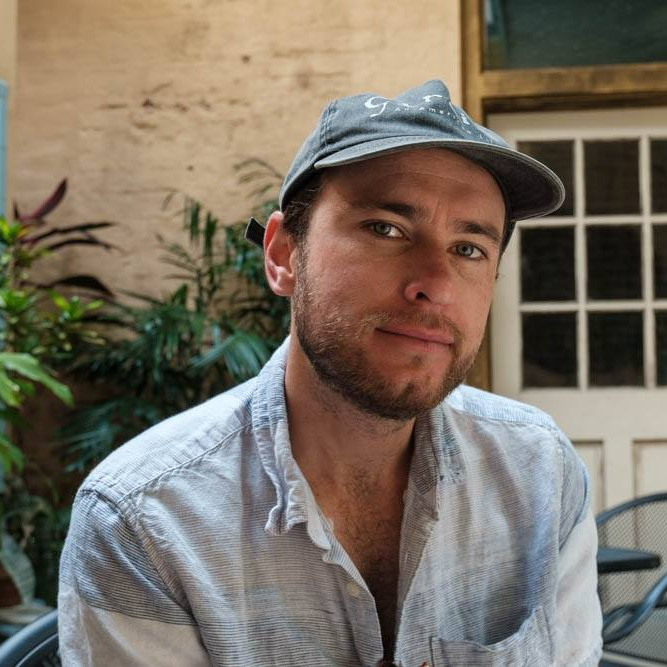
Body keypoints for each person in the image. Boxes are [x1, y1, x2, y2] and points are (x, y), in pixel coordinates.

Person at [58, 80, 602, 666]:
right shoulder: (145, 522)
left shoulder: (537, 471)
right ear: (283, 255)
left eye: (469, 248)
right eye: (385, 229)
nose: (436, 285)